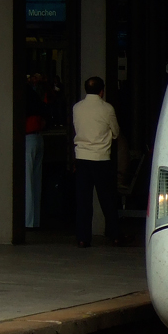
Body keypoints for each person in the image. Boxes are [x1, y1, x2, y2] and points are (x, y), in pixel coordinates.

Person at [72, 76, 121, 247]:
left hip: (82, 157)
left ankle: (82, 238)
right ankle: (115, 235)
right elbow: (115, 132)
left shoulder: (77, 108)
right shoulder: (107, 109)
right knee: (107, 199)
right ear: (102, 91)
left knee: (83, 201)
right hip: (101, 158)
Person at [25, 77, 48, 229]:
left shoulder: (23, 98)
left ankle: (27, 221)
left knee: (26, 182)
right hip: (38, 137)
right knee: (35, 182)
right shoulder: (38, 98)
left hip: (27, 138)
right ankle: (34, 220)